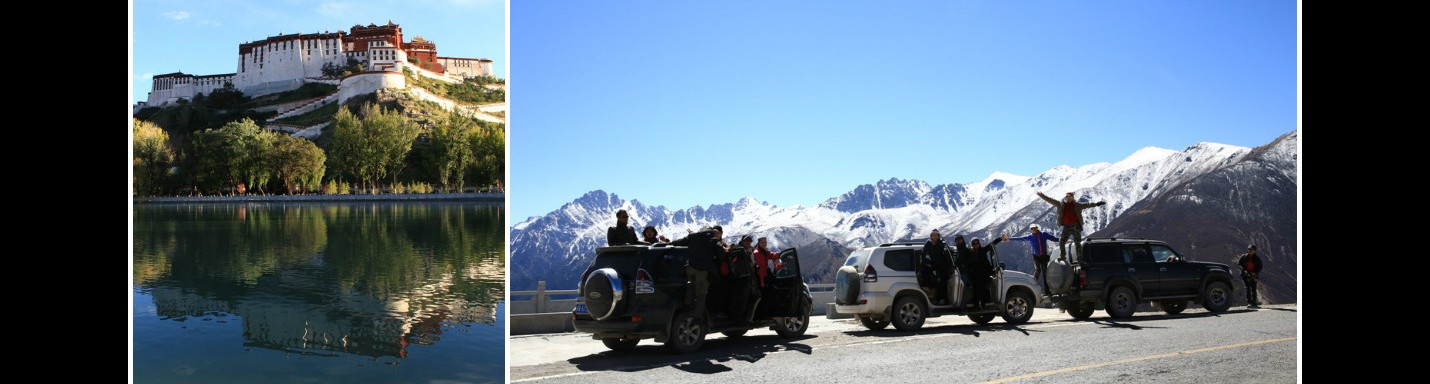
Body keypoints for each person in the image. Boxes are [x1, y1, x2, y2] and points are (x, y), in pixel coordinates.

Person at [1036, 191, 1107, 260]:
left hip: (1076, 226)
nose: (1068, 198)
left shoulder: (1078, 205)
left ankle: (1080, 258)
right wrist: (1041, 195)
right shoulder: (1060, 204)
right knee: (1062, 241)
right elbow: (1050, 200)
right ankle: (1063, 256)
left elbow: (1088, 204)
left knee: (1077, 243)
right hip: (1066, 226)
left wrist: (1097, 204)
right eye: (1066, 196)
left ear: (1072, 197)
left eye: (1069, 196)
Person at [670, 226, 723, 318]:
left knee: (690, 288)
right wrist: (715, 261)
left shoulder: (692, 237)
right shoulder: (712, 239)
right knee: (700, 293)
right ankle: (697, 316)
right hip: (702, 270)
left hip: (690, 268)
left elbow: (677, 243)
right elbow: (721, 252)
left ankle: (687, 310)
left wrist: (663, 244)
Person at [1009, 223, 1059, 296]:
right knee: (1038, 270)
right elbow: (1020, 238)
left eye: (1034, 228)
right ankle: (1030, 285)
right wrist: (1009, 239)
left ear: (1037, 228)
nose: (1033, 229)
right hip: (1036, 256)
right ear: (1031, 230)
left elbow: (1054, 238)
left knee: (1045, 273)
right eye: (1032, 229)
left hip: (1044, 256)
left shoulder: (1044, 234)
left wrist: (1063, 240)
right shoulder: (1030, 237)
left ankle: (1047, 292)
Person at [967, 236, 1003, 308]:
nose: (976, 245)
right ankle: (976, 305)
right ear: (972, 245)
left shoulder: (983, 250)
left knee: (983, 289)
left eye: (977, 243)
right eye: (974, 244)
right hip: (974, 274)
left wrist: (1000, 238)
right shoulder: (970, 252)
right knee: (976, 290)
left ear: (979, 244)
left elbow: (991, 244)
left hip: (984, 273)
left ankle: (983, 304)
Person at [923, 229, 955, 305]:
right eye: (933, 235)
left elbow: (948, 255)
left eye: (936, 235)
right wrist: (928, 263)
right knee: (931, 279)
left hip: (942, 267)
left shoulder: (942, 244)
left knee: (943, 282)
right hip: (931, 267)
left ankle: (943, 299)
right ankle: (934, 298)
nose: (934, 236)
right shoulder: (928, 244)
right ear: (931, 236)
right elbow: (924, 255)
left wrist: (950, 267)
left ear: (938, 236)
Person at [1237, 244, 1264, 309]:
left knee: (1254, 289)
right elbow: (1239, 264)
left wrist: (1255, 273)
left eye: (1251, 250)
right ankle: (1249, 302)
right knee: (1247, 288)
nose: (1250, 251)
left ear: (1254, 251)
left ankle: (1254, 303)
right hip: (1245, 275)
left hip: (1253, 275)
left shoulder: (1257, 258)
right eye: (1249, 249)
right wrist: (1244, 270)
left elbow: (1260, 266)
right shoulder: (1243, 257)